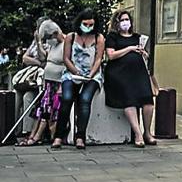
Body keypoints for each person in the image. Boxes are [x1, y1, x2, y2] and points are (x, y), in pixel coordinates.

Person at [52, 11, 105, 150]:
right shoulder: (71, 36)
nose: (88, 27)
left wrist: (91, 74)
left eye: (91, 24)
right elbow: (66, 58)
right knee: (67, 98)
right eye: (85, 24)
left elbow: (99, 58)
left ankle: (80, 136)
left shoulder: (99, 38)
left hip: (92, 74)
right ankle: (58, 135)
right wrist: (75, 71)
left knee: (85, 99)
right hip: (72, 72)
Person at [103, 10, 156, 147]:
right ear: (117, 23)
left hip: (138, 72)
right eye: (122, 20)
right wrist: (130, 48)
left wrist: (143, 53)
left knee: (148, 100)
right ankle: (138, 133)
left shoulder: (137, 37)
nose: (126, 22)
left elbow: (145, 56)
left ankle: (147, 132)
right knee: (129, 100)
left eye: (127, 19)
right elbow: (111, 55)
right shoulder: (112, 37)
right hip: (119, 73)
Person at [20, 19, 65, 146]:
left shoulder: (66, 43)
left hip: (58, 82)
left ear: (55, 33)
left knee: (49, 110)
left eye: (49, 37)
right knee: (42, 109)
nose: (48, 41)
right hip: (49, 81)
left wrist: (61, 85)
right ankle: (33, 135)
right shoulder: (53, 45)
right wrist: (39, 42)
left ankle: (37, 137)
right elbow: (42, 57)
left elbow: (67, 65)